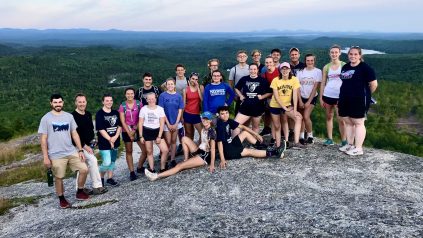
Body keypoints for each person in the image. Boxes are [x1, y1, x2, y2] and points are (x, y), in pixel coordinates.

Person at [39, 93, 89, 209]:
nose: (58, 104)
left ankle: (80, 191)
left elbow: (74, 133)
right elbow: (43, 139)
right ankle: (62, 199)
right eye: (55, 102)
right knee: (59, 177)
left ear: (63, 103)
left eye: (60, 102)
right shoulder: (46, 118)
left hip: (71, 151)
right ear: (51, 103)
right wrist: (46, 157)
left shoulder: (68, 116)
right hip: (56, 154)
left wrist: (80, 150)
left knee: (84, 169)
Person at [144, 111, 217, 181]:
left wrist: (212, 164)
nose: (205, 120)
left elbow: (213, 149)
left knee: (180, 166)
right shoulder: (204, 129)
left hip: (204, 156)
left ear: (210, 120)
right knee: (184, 138)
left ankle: (156, 176)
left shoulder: (212, 132)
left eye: (207, 119)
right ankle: (186, 159)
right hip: (199, 150)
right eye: (203, 119)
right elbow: (203, 142)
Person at [216, 106, 285, 169]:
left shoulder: (228, 121)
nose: (225, 115)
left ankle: (262, 147)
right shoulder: (220, 126)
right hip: (229, 152)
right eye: (222, 114)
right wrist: (222, 159)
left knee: (245, 133)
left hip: (231, 144)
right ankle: (276, 153)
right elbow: (219, 143)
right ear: (219, 115)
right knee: (249, 151)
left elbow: (243, 127)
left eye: (226, 113)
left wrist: (256, 134)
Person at [338, 46, 377, 156]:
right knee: (348, 122)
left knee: (359, 123)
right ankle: (350, 145)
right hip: (345, 98)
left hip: (359, 100)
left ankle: (358, 148)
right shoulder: (345, 67)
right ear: (348, 55)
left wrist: (366, 95)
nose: (353, 56)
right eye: (351, 54)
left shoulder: (365, 68)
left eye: (355, 54)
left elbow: (374, 84)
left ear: (360, 55)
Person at [72, 93, 108, 195]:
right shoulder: (72, 116)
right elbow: (74, 135)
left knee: (83, 165)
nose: (82, 104)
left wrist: (93, 140)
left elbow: (90, 130)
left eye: (83, 102)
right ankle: (97, 186)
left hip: (88, 145)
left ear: (86, 102)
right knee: (93, 160)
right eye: (79, 102)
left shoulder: (88, 114)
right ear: (76, 103)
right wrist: (84, 146)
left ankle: (80, 188)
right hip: (77, 146)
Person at [269, 62, 304, 149]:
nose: (284, 70)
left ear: (289, 70)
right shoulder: (275, 80)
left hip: (287, 105)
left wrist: (295, 109)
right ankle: (277, 146)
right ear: (280, 70)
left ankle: (296, 142)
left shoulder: (294, 79)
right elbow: (276, 97)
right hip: (275, 105)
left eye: (286, 68)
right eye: (282, 69)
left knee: (298, 117)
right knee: (277, 126)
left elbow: (295, 95)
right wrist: (284, 108)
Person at [320, 45, 347, 146]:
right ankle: (330, 139)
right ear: (329, 53)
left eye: (336, 52)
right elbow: (323, 83)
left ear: (340, 53)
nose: (334, 54)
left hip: (340, 96)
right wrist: (321, 97)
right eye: (332, 52)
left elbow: (348, 82)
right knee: (328, 117)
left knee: (341, 119)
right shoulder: (326, 67)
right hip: (327, 95)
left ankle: (344, 141)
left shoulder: (344, 65)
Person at [234, 63, 272, 134]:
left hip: (257, 107)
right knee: (236, 124)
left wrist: (262, 97)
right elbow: (236, 88)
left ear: (257, 70)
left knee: (255, 126)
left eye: (254, 69)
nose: (253, 71)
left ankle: (254, 143)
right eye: (251, 69)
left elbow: (270, 92)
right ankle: (236, 142)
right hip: (245, 106)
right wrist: (241, 95)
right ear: (248, 70)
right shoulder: (244, 79)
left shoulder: (262, 80)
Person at [138, 93, 169, 172]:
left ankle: (162, 167)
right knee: (149, 151)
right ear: (147, 100)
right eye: (149, 99)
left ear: (155, 99)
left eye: (153, 98)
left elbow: (162, 123)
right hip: (147, 131)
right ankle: (151, 169)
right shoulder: (143, 109)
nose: (151, 100)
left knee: (165, 150)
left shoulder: (160, 109)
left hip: (157, 131)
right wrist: (141, 136)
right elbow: (140, 123)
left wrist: (159, 136)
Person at [96, 93, 122, 186]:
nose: (109, 102)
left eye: (111, 100)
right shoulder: (99, 113)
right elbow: (101, 129)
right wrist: (110, 139)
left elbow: (119, 126)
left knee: (113, 161)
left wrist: (115, 137)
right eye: (107, 100)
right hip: (104, 142)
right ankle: (100, 177)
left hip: (115, 140)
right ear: (103, 102)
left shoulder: (116, 113)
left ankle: (110, 178)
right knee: (106, 162)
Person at [118, 87, 144, 181]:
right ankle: (132, 172)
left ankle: (140, 167)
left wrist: (134, 129)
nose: (130, 95)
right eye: (128, 94)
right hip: (126, 130)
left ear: (134, 94)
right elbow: (122, 120)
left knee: (144, 150)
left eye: (132, 93)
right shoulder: (122, 106)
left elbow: (141, 117)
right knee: (129, 151)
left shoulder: (138, 103)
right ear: (125, 95)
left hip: (137, 128)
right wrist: (129, 132)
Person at [296, 54, 322, 144]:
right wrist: (299, 100)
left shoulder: (318, 72)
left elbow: (315, 87)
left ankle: (310, 135)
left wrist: (308, 102)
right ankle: (302, 136)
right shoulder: (300, 72)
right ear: (305, 61)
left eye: (312, 60)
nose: (310, 62)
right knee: (302, 117)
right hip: (301, 96)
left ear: (314, 61)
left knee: (306, 116)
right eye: (308, 60)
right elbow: (297, 87)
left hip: (312, 97)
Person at [159, 78, 184, 168]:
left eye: (171, 84)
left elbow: (180, 110)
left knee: (174, 141)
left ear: (174, 85)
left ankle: (173, 159)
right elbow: (161, 111)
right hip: (166, 123)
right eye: (168, 84)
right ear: (166, 85)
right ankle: (165, 160)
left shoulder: (178, 96)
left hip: (176, 122)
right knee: (167, 142)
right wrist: (168, 124)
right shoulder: (162, 96)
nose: (170, 86)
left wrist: (176, 123)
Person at [260, 55, 280, 138]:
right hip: (267, 98)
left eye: (270, 62)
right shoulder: (264, 75)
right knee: (267, 114)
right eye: (267, 62)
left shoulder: (279, 73)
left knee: (276, 118)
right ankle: (267, 129)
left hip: (278, 98)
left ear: (274, 63)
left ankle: (276, 136)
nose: (268, 64)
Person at [183, 72, 204, 141]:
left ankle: (199, 147)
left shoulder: (201, 87)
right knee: (189, 133)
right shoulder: (185, 89)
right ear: (189, 79)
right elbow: (184, 103)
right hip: (187, 113)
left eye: (196, 79)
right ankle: (190, 149)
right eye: (193, 79)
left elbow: (202, 99)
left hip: (196, 114)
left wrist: (197, 87)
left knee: (202, 133)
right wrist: (181, 117)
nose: (194, 80)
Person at [229, 50, 250, 115]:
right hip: (237, 95)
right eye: (240, 56)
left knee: (249, 113)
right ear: (237, 58)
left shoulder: (250, 68)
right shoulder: (233, 69)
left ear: (247, 57)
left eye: (244, 56)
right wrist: (233, 94)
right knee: (237, 113)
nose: (242, 58)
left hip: (249, 94)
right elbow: (230, 83)